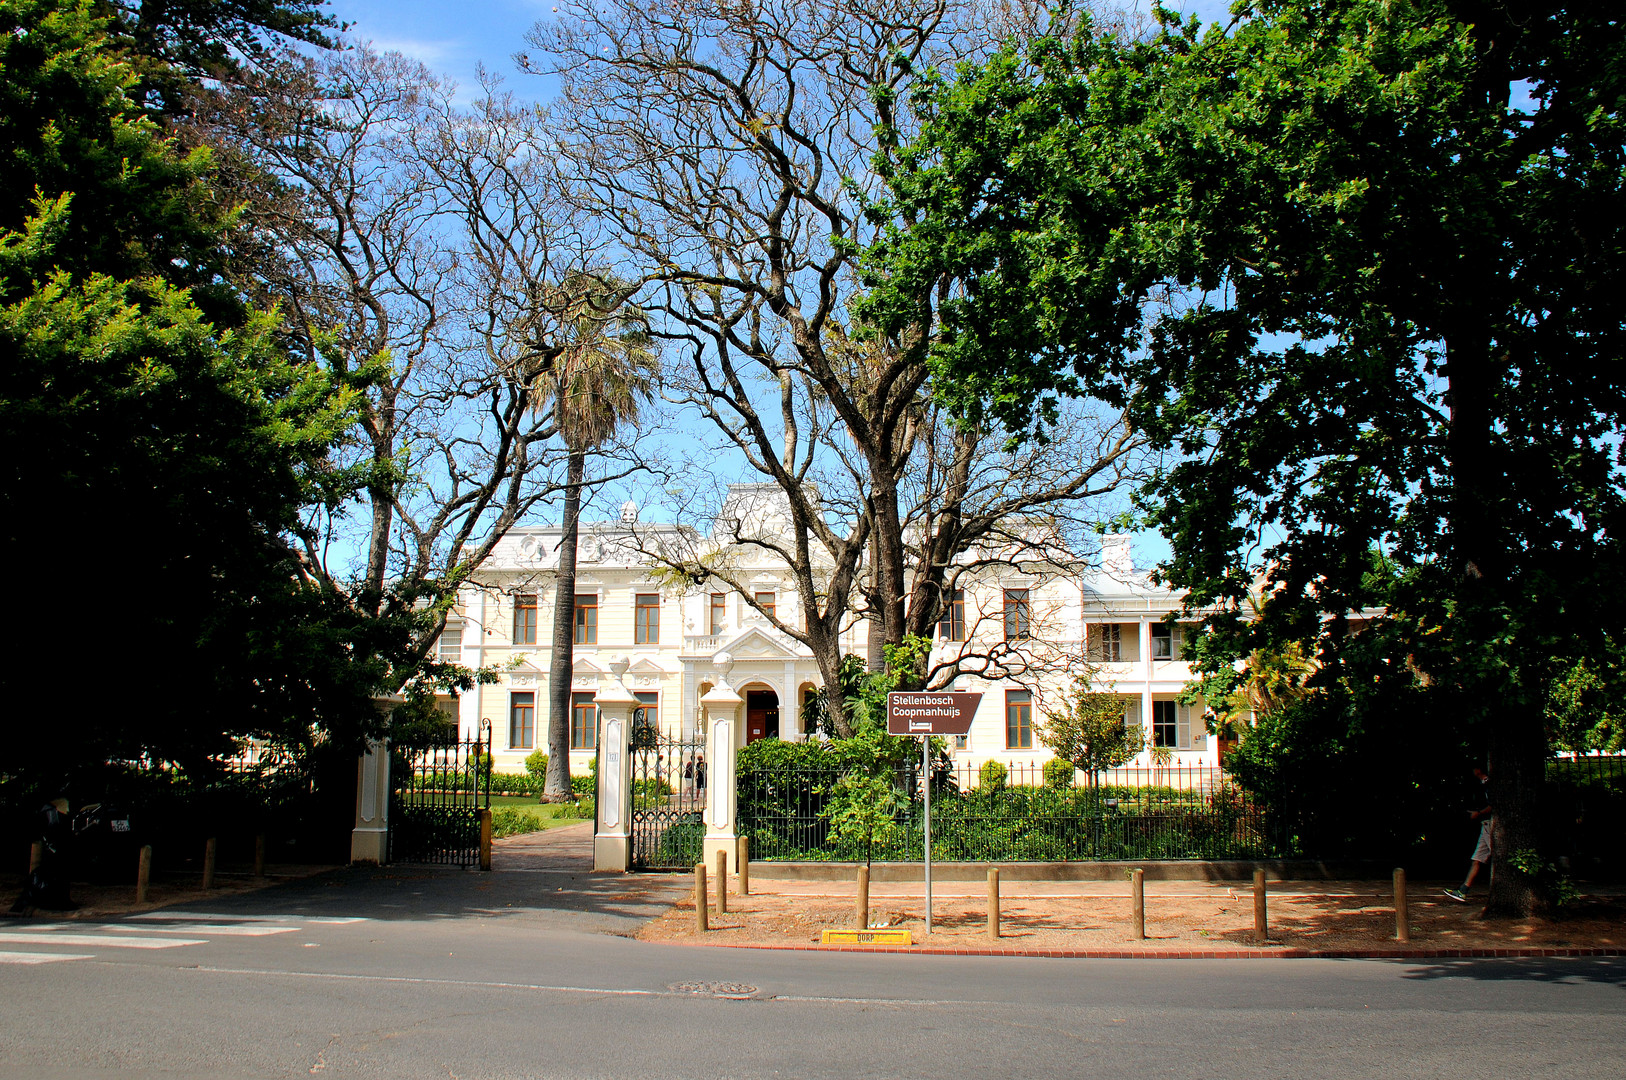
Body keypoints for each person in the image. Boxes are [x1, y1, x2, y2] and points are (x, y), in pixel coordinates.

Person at [1444, 767, 1493, 903]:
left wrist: (1478, 813)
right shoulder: (1482, 784)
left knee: (1498, 857)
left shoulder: (1489, 784)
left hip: (1490, 824)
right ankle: (1463, 890)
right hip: (1485, 825)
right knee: (1477, 859)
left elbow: (1493, 805)